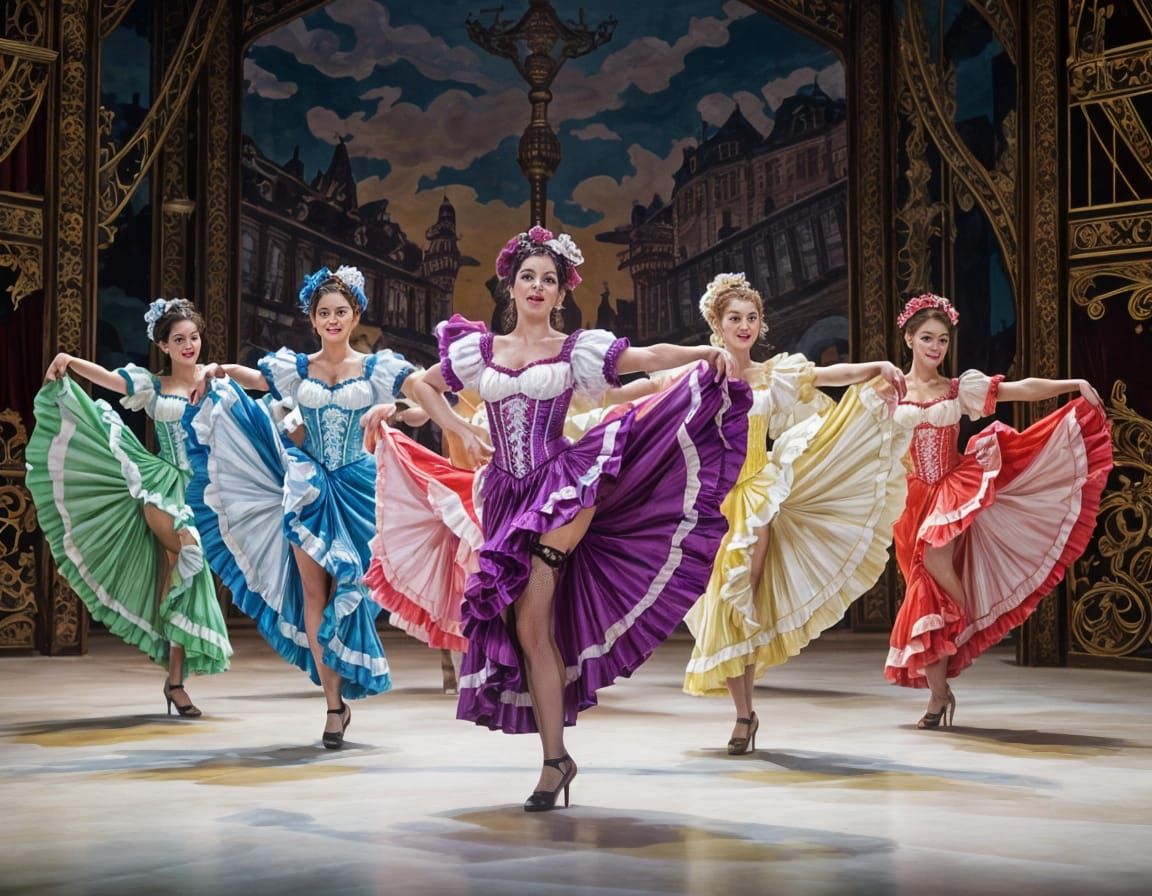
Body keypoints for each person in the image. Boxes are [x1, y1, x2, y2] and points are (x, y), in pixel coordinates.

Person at [403, 225, 751, 811]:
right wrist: (459, 426)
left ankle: (551, 762)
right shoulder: (478, 350)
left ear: (562, 292)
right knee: (526, 632)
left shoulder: (575, 349)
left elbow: (647, 357)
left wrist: (702, 353)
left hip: (563, 486)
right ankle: (557, 759)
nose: (537, 287)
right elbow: (420, 383)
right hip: (505, 495)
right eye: (528, 277)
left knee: (534, 618)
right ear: (511, 286)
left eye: (549, 279)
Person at [185, 265, 416, 748]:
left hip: (358, 490)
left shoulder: (377, 369)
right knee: (314, 594)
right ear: (312, 319)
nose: (332, 320)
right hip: (307, 487)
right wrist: (218, 370)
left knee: (349, 589)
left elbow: (420, 402)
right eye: (324, 313)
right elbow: (256, 378)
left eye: (341, 312)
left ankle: (341, 678)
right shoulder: (297, 368)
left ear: (355, 316)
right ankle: (332, 706)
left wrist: (393, 409)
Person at [680, 273, 910, 754]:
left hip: (757, 494)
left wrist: (877, 366)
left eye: (751, 317)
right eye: (734, 318)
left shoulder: (773, 375)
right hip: (712, 500)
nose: (744, 326)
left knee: (742, 596)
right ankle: (744, 712)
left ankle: (742, 716)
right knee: (723, 601)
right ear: (717, 325)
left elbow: (830, 376)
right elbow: (655, 394)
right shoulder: (700, 378)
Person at [885, 293, 1113, 727]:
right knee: (923, 595)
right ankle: (938, 696)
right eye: (928, 338)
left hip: (951, 490)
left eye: (943, 340)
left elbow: (1020, 389)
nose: (936, 347)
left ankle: (964, 622)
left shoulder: (958, 389)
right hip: (907, 503)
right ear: (910, 338)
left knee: (935, 562)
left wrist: (1073, 384)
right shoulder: (890, 392)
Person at [26, 299, 232, 715]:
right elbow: (108, 379)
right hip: (160, 485)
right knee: (188, 552)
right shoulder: (153, 385)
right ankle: (174, 676)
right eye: (179, 339)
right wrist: (70, 360)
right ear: (164, 345)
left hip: (201, 492)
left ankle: (175, 681)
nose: (189, 345)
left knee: (182, 576)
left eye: (194, 337)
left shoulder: (218, 382)